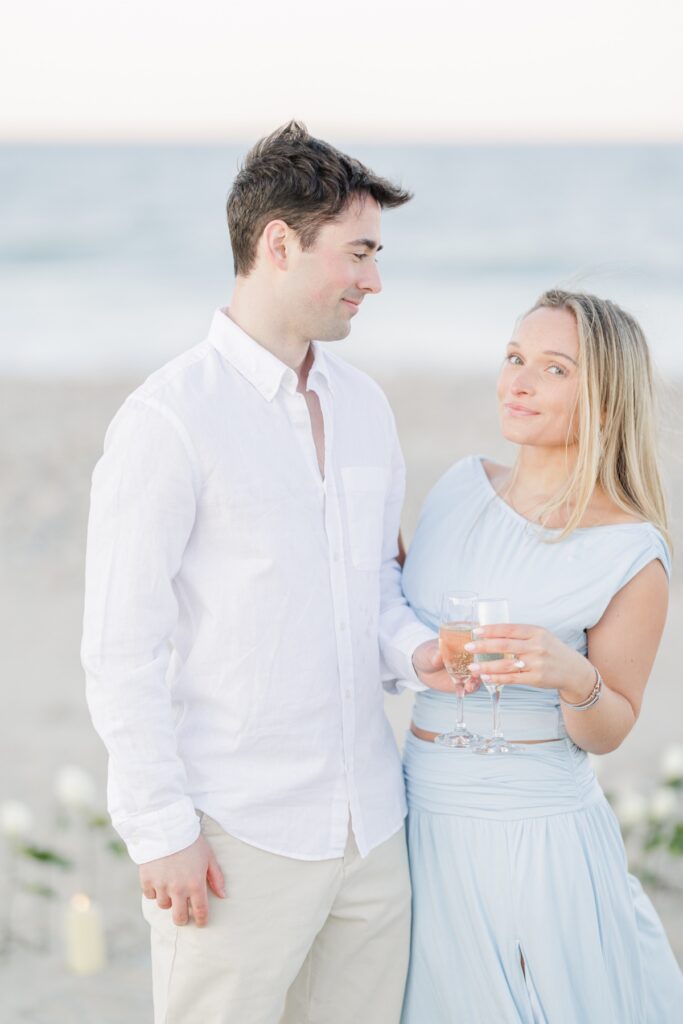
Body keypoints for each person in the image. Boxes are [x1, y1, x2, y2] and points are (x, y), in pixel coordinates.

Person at [81, 121, 441, 1024]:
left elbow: (372, 588)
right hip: (236, 834)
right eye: (358, 253)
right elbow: (120, 648)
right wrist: (160, 831)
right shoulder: (168, 420)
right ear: (278, 244)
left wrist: (422, 653)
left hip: (372, 825)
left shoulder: (364, 406)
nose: (373, 281)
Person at [384, 289, 683, 1022]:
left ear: (605, 401)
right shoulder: (459, 486)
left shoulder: (630, 551)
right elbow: (395, 611)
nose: (517, 382)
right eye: (514, 358)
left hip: (532, 833)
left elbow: (609, 729)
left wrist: (573, 677)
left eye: (553, 369)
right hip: (418, 807)